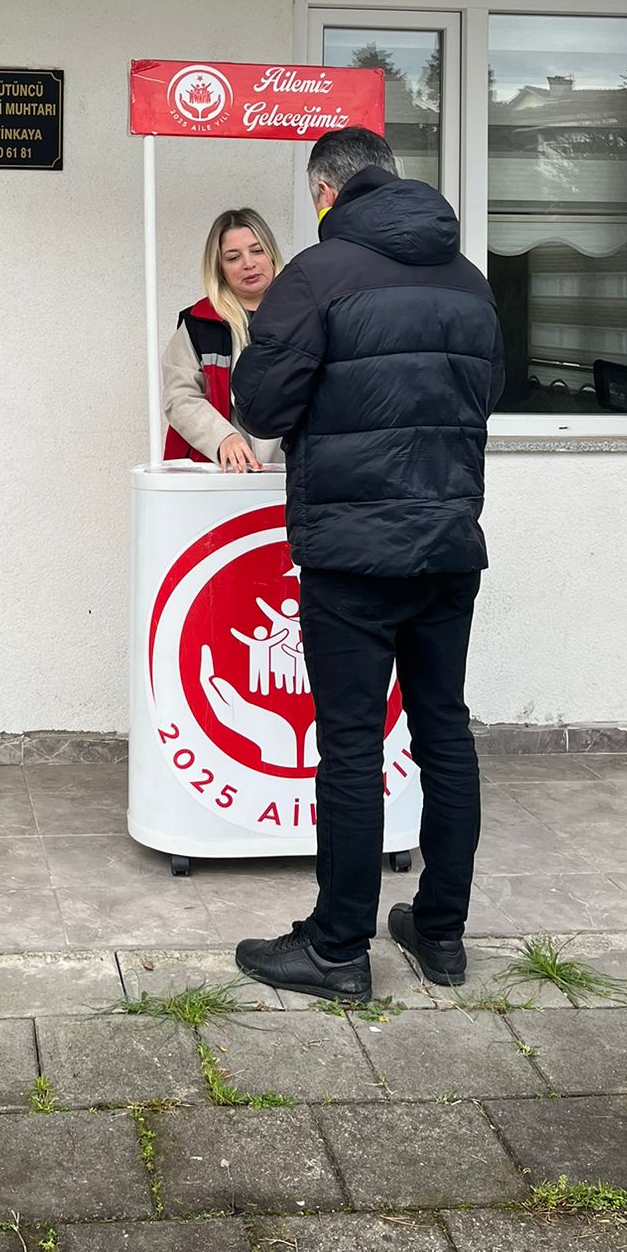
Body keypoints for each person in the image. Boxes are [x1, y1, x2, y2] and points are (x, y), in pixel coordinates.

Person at [228, 128, 504, 1001]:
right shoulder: (469, 280)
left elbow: (262, 407)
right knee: (443, 730)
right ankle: (441, 933)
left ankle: (338, 949)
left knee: (350, 744)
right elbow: (489, 391)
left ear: (325, 192)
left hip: (351, 553)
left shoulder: (316, 275)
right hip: (448, 542)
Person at [161, 209, 285, 471]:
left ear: (272, 254)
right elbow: (179, 397)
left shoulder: (305, 317)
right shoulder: (199, 323)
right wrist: (223, 437)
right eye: (233, 257)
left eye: (257, 251)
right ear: (219, 269)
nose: (248, 264)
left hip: (291, 475)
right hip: (219, 474)